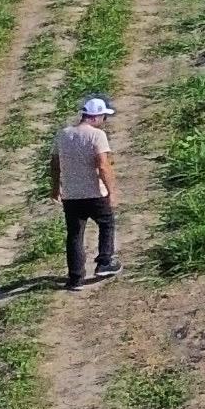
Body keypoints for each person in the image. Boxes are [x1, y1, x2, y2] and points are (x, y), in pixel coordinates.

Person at [56, 96, 118, 287]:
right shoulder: (97, 135)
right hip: (94, 193)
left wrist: (55, 188)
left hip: (71, 194)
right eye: (104, 117)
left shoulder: (63, 134)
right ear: (96, 116)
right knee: (106, 223)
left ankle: (75, 278)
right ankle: (104, 262)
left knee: (74, 234)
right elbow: (103, 165)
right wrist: (111, 191)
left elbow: (54, 163)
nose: (104, 122)